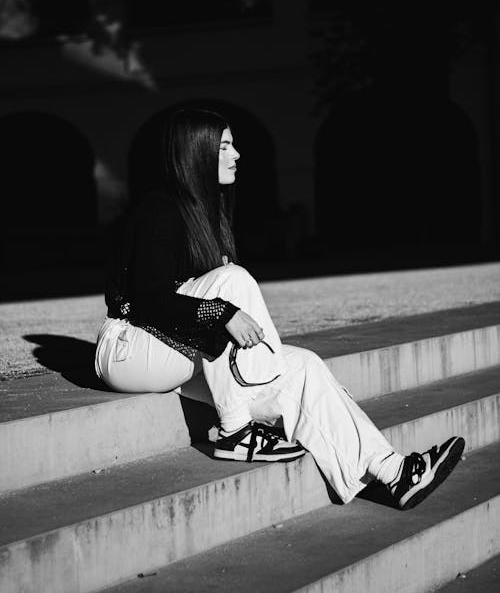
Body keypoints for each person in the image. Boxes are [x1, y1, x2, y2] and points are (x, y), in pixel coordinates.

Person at [95, 107, 464, 510]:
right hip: (130, 349)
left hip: (184, 353)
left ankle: (393, 472)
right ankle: (235, 432)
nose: (236, 154)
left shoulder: (209, 213)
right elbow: (150, 302)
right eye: (224, 146)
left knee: (304, 365)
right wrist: (222, 313)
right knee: (232, 281)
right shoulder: (159, 208)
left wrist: (221, 313)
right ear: (197, 152)